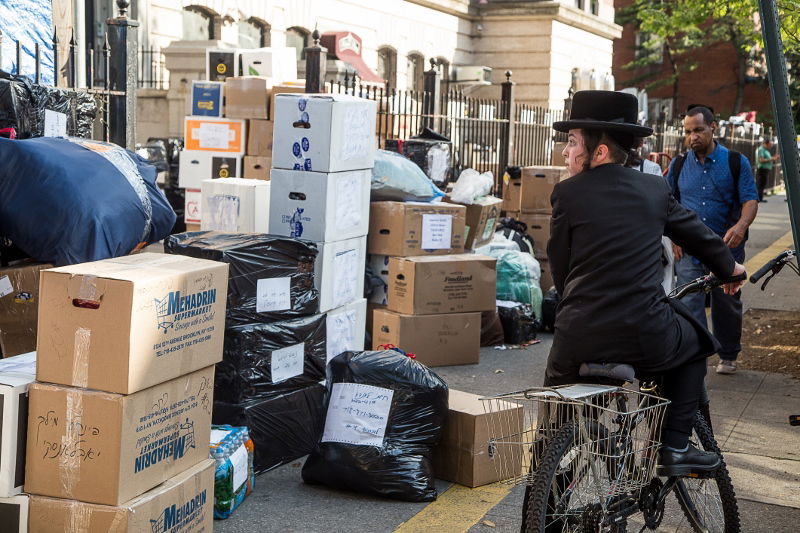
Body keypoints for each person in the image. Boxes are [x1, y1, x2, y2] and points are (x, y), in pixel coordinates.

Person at [545, 90, 746, 474]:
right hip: (645, 333)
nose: (566, 153)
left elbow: (560, 267)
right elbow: (698, 235)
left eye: (572, 143)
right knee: (699, 344)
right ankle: (674, 448)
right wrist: (730, 269)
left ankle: (546, 485)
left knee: (555, 421)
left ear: (599, 151)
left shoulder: (566, 194)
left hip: (578, 335)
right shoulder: (654, 190)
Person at [666, 106, 758, 374]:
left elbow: (750, 200)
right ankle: (696, 356)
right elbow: (668, 203)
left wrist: (741, 226)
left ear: (713, 128)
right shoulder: (679, 164)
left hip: (726, 248)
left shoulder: (735, 161)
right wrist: (673, 237)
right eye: (688, 132)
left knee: (726, 302)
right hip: (689, 249)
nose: (692, 136)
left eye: (698, 130)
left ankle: (728, 354)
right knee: (689, 302)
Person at [756, 138, 778, 202]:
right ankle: (759, 198)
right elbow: (761, 160)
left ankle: (760, 197)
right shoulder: (761, 150)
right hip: (762, 169)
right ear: (766, 143)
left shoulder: (765, 150)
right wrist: (772, 159)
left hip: (765, 169)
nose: (771, 146)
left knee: (762, 184)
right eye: (770, 144)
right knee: (761, 184)